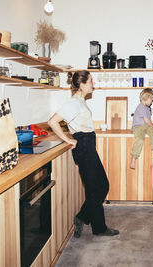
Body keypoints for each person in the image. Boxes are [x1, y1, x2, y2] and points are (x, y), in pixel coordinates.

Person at [48, 71, 119, 237]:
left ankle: (83, 218)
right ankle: (98, 227)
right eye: (91, 81)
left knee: (99, 186)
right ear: (82, 84)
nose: (93, 84)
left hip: (88, 145)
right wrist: (68, 139)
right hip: (85, 146)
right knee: (98, 187)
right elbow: (53, 122)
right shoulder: (74, 103)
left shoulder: (80, 101)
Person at [130, 88, 153, 169]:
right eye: (151, 100)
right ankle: (133, 158)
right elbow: (147, 120)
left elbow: (148, 122)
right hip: (138, 126)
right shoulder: (141, 107)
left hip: (146, 126)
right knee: (140, 139)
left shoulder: (146, 108)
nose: (152, 102)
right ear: (146, 98)